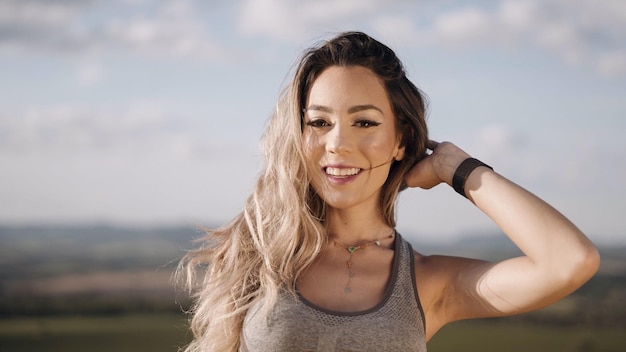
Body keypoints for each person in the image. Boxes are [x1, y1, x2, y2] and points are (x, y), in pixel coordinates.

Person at [178, 31, 600, 352]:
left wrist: (456, 169)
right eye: (319, 122)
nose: (337, 143)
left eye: (364, 122)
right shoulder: (259, 256)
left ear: (402, 140)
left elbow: (569, 261)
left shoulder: (427, 283)